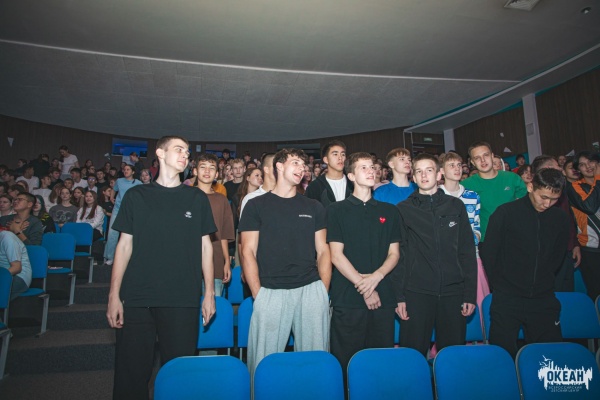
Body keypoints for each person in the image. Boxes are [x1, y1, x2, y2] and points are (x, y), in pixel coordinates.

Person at [106, 135, 217, 400]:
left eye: (187, 152)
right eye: (179, 149)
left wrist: (209, 293)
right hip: (137, 297)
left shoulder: (196, 198)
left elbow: (206, 247)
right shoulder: (136, 195)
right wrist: (113, 295)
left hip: (181, 298)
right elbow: (124, 246)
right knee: (131, 374)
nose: (185, 155)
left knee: (179, 375)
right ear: (160, 153)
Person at [239, 148, 331, 380]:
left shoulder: (314, 206)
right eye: (295, 163)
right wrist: (258, 294)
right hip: (270, 291)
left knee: (315, 364)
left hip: (310, 290)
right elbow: (247, 251)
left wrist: (322, 290)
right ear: (279, 167)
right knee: (263, 366)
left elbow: (323, 251)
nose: (302, 168)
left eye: (303, 165)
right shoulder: (256, 205)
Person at [327, 152, 401, 387]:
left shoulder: (390, 211)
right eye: (363, 168)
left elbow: (394, 254)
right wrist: (366, 288)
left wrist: (376, 278)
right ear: (350, 175)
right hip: (348, 297)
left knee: (380, 365)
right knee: (346, 365)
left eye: (372, 167)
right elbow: (336, 255)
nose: (371, 171)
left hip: (383, 296)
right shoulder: (336, 210)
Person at [393, 153, 477, 358]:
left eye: (429, 170)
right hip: (416, 292)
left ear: (439, 174)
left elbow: (466, 251)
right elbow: (400, 256)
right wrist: (399, 297)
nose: (424, 175)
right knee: (412, 356)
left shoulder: (455, 206)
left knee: (453, 357)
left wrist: (469, 294)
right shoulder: (403, 209)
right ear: (413, 177)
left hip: (453, 292)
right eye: (419, 171)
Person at [481, 168, 569, 359]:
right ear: (530, 187)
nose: (547, 204)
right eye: (543, 197)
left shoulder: (560, 218)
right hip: (507, 298)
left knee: (549, 357)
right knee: (502, 356)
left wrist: (544, 278)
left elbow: (558, 255)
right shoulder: (506, 213)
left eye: (554, 199)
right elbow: (489, 252)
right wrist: (501, 285)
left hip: (543, 298)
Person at [439, 152, 487, 312]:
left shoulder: (472, 196)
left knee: (476, 304)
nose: (457, 169)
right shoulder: (435, 196)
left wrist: (472, 240)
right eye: (451, 165)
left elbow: (476, 226)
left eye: (459, 165)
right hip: (444, 259)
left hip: (470, 256)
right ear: (442, 171)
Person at [530, 155, 581, 292]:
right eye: (557, 166)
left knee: (567, 291)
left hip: (566, 250)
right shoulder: (534, 196)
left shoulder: (560, 190)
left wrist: (574, 244)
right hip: (546, 254)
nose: (560, 168)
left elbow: (569, 219)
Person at [463, 141, 527, 242]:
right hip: (486, 239)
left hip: (514, 236)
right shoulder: (466, 186)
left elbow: (524, 207)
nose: (483, 160)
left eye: (486, 155)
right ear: (472, 162)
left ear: (492, 156)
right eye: (477, 158)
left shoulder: (512, 178)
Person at [192, 153, 235, 296]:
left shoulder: (222, 200)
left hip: (215, 261)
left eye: (211, 168)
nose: (207, 171)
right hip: (189, 261)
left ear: (216, 174)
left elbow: (223, 235)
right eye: (203, 167)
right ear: (195, 171)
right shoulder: (185, 196)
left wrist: (226, 261)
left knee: (213, 304)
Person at [565, 151, 600, 301]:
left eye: (591, 162)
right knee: (596, 291)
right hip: (591, 248)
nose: (588, 166)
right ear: (578, 169)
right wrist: (598, 178)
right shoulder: (575, 187)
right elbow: (590, 206)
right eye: (582, 165)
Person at [103, 164, 142, 265]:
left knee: (130, 235)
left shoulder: (138, 183)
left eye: (128, 169)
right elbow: (114, 189)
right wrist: (111, 197)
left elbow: (143, 194)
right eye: (124, 170)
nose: (125, 171)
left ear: (133, 172)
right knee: (112, 234)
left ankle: (131, 258)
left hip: (131, 211)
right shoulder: (119, 181)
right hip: (117, 209)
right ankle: (110, 257)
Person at [305, 140, 352, 207]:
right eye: (335, 154)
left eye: (343, 154)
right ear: (326, 160)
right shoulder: (315, 186)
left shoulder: (353, 183)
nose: (340, 158)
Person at [0, 231, 32, 300]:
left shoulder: (8, 238)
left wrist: (2, 276)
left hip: (19, 277)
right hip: (4, 276)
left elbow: (17, 268)